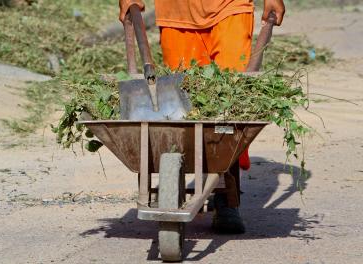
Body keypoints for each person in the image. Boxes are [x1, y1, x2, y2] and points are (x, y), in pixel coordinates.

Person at [119, 0, 285, 234]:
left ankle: (227, 197)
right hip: (176, 12)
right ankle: (177, 176)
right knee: (183, 106)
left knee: (229, 103)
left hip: (231, 7)